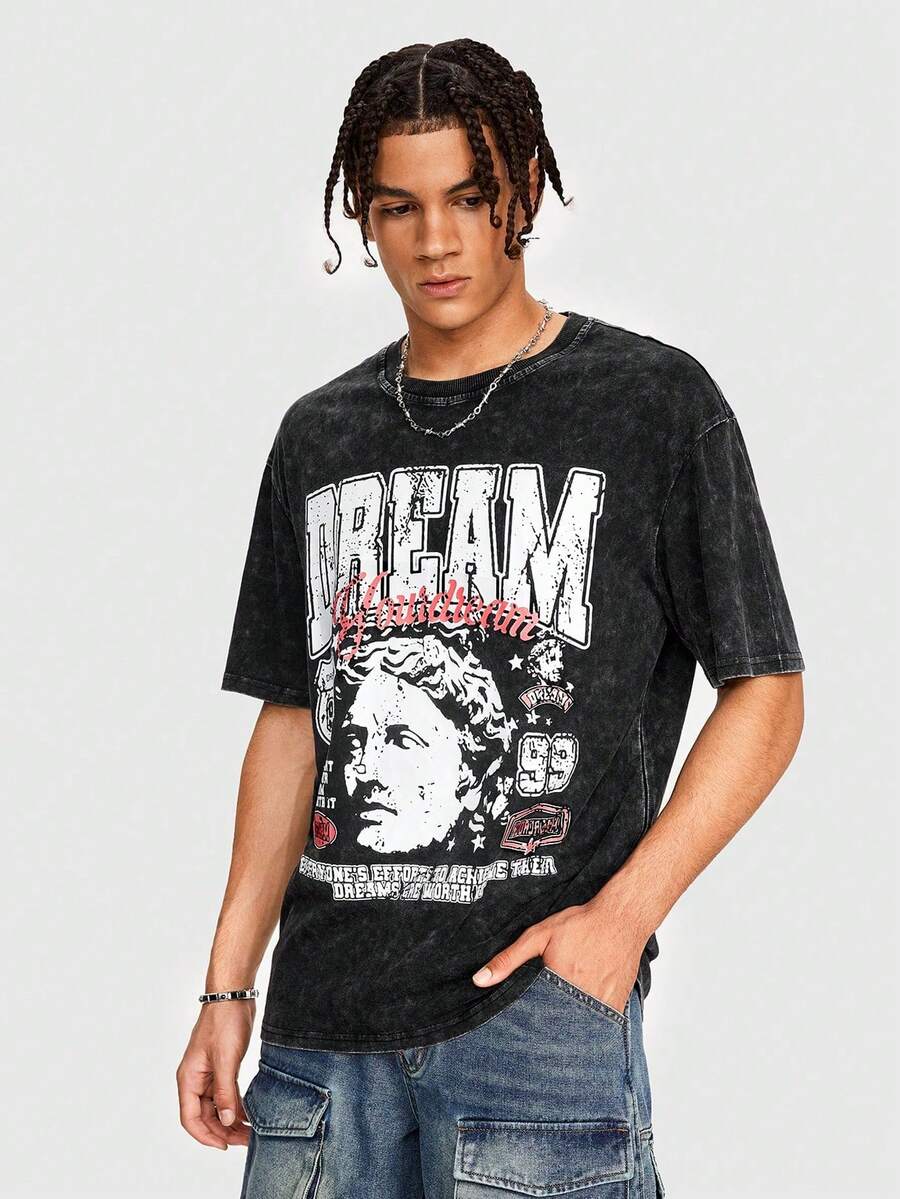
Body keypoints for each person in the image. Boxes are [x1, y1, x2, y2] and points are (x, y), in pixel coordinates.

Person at [176, 38, 806, 1199]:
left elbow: (766, 687)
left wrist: (620, 920)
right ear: (362, 217)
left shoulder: (650, 403)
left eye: (469, 198)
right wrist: (227, 984)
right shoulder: (320, 434)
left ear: (523, 193)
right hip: (319, 1037)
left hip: (537, 1022)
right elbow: (293, 719)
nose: (436, 240)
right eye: (398, 206)